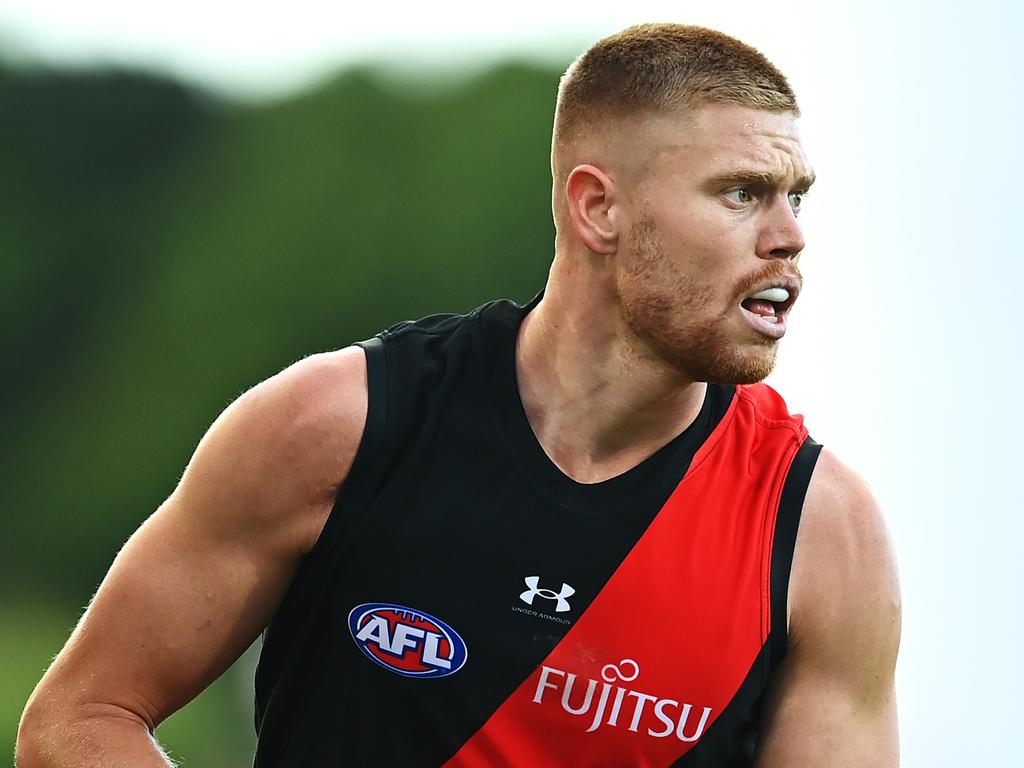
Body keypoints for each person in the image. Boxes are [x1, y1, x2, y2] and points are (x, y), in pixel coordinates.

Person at [17, 22, 900, 767]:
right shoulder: (340, 426)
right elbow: (78, 720)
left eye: (796, 198)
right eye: (742, 194)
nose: (789, 237)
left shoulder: (823, 535)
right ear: (598, 208)